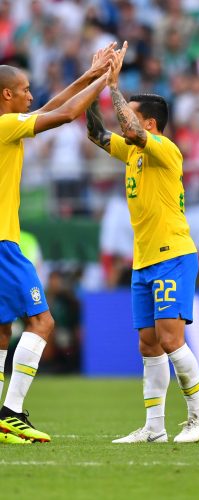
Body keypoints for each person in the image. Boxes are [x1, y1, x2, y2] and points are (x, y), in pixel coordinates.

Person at [86, 45, 199, 444]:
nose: (124, 121)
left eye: (131, 115)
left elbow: (132, 130)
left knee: (171, 338)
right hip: (143, 260)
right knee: (148, 343)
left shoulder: (163, 150)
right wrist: (93, 82)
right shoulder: (133, 153)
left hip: (173, 255)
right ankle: (154, 428)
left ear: (151, 123)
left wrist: (114, 87)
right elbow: (96, 132)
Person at [0, 43, 116, 445]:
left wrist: (89, 74)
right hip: (4, 245)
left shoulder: (8, 124)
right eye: (26, 89)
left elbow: (52, 105)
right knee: (43, 321)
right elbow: (65, 114)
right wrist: (106, 80)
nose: (32, 95)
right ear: (6, 94)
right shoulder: (4, 126)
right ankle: (11, 413)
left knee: (1, 332)